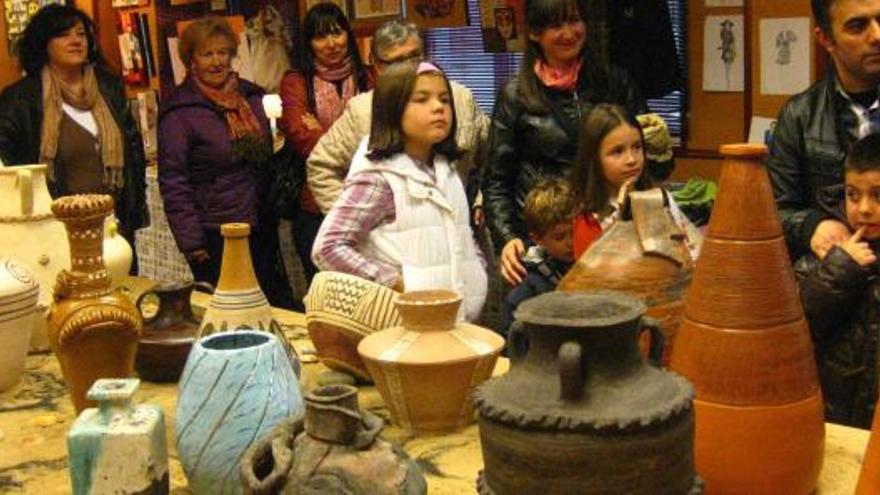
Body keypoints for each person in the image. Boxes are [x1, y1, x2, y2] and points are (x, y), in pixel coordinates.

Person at [481, 0, 672, 286]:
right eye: (556, 25)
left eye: (575, 21)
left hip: (611, 235)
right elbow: (496, 179)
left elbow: (654, 169)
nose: (569, 32)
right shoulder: (516, 94)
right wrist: (508, 239)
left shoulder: (615, 82)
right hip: (547, 239)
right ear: (534, 33)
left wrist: (659, 148)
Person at [312, 60, 487, 321]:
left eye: (444, 99)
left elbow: (459, 231)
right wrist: (398, 283)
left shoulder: (446, 169)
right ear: (393, 109)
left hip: (456, 320)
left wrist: (477, 271)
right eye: (422, 99)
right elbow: (328, 247)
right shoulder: (380, 177)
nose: (438, 107)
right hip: (407, 325)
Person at [158, 16, 293, 308]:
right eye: (207, 54)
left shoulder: (251, 96)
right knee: (228, 310)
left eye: (222, 52)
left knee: (271, 304)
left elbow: (267, 159)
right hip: (214, 232)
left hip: (259, 224)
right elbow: (173, 181)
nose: (216, 61)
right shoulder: (179, 111)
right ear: (190, 59)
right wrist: (191, 242)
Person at [0, 4, 147, 248]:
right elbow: (8, 165)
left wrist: (133, 208)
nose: (75, 41)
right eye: (63, 34)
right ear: (43, 44)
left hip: (113, 225)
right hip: (53, 228)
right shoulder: (21, 99)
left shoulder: (108, 88)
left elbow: (133, 149)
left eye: (81, 34)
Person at [306, 20, 489, 215]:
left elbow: (496, 155)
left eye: (414, 57)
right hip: (394, 235)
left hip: (460, 226)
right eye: (396, 62)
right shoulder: (362, 112)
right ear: (376, 65)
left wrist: (482, 198)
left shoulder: (459, 98)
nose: (408, 69)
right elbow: (321, 166)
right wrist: (357, 219)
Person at [768, 0, 880, 261]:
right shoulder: (799, 116)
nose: (876, 35)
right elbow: (773, 210)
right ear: (826, 39)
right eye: (857, 25)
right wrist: (812, 226)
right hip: (833, 281)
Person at [278, 3, 373, 285]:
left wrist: (322, 130)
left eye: (337, 33)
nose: (331, 44)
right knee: (325, 290)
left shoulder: (369, 77)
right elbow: (299, 137)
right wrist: (357, 141)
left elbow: (384, 138)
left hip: (369, 201)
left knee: (371, 292)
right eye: (320, 37)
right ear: (308, 43)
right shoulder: (296, 82)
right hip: (314, 205)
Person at [794, 132, 880, 428]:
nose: (864, 209)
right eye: (853, 195)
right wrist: (841, 268)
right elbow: (794, 330)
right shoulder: (819, 259)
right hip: (834, 418)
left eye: (878, 195)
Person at [568, 104, 699, 259]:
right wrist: (621, 219)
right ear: (594, 159)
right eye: (617, 151)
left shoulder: (661, 198)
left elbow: (693, 253)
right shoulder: (584, 215)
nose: (631, 159)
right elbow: (594, 275)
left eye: (637, 147)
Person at [500, 178, 575, 347]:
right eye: (559, 237)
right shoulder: (527, 283)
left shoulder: (587, 265)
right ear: (537, 239)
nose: (571, 242)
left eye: (574, 232)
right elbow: (513, 335)